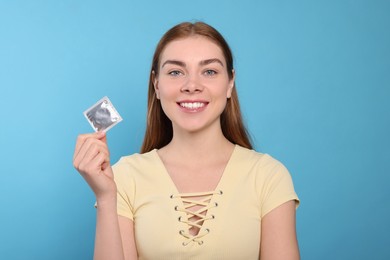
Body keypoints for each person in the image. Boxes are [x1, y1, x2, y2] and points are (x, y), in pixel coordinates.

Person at [73, 21, 300, 260]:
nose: (192, 86)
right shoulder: (124, 178)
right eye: (175, 72)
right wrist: (106, 198)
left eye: (209, 71)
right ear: (156, 85)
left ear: (230, 83)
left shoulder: (269, 176)